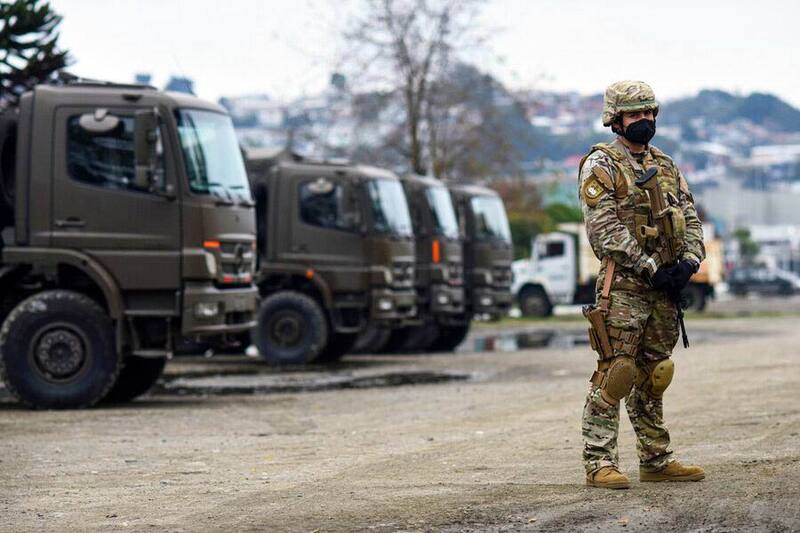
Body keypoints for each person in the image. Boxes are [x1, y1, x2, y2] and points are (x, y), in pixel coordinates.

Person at [578, 80, 706, 489]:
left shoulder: (666, 165)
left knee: (655, 374)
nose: (645, 119)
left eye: (649, 112)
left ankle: (655, 459)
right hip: (624, 287)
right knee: (616, 372)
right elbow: (604, 230)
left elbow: (690, 218)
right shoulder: (602, 165)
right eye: (635, 113)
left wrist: (688, 262)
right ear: (616, 120)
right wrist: (649, 266)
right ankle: (600, 462)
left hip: (664, 289)